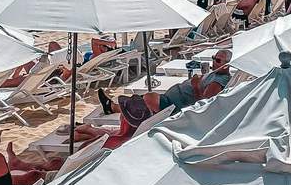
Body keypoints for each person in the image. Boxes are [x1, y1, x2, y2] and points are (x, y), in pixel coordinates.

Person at [99, 49, 234, 136]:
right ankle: (114, 108)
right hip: (173, 100)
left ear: (227, 64)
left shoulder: (219, 81)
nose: (213, 62)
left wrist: (196, 86)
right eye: (213, 58)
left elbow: (205, 105)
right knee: (145, 99)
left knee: (148, 98)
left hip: (174, 107)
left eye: (217, 60)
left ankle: (113, 108)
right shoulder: (216, 73)